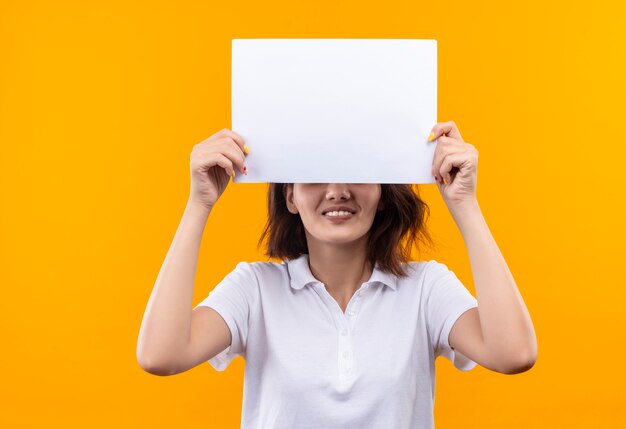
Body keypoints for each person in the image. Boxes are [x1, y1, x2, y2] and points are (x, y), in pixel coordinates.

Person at [136, 121, 538, 428]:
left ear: (382, 193)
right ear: (290, 196)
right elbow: (160, 355)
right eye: (314, 175)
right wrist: (199, 203)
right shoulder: (256, 290)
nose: (337, 190)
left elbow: (514, 354)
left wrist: (464, 204)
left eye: (357, 173)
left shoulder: (425, 289)